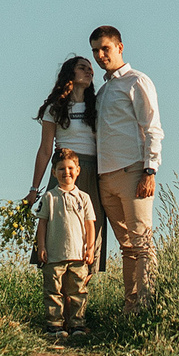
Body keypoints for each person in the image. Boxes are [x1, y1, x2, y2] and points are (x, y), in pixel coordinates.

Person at [89, 25, 160, 310]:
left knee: (142, 244)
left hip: (133, 172)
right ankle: (130, 308)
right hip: (106, 177)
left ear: (119, 47)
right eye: (95, 50)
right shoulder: (103, 91)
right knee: (127, 247)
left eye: (105, 48)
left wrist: (150, 169)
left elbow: (152, 127)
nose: (100, 55)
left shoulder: (136, 81)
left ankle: (146, 306)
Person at [26, 55, 106, 269]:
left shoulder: (97, 105)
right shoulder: (55, 108)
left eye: (91, 69)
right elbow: (44, 150)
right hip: (63, 172)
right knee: (58, 230)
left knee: (90, 231)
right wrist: (34, 189)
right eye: (83, 68)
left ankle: (79, 294)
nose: (90, 72)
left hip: (92, 171)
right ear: (70, 73)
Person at [32, 149, 99, 340]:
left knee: (78, 291)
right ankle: (54, 325)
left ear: (78, 171)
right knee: (53, 291)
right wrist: (42, 247)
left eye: (70, 168)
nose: (66, 172)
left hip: (78, 254)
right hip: (54, 255)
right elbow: (42, 224)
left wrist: (90, 248)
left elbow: (90, 225)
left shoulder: (84, 197)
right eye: (61, 169)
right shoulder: (49, 197)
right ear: (54, 172)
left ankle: (78, 325)